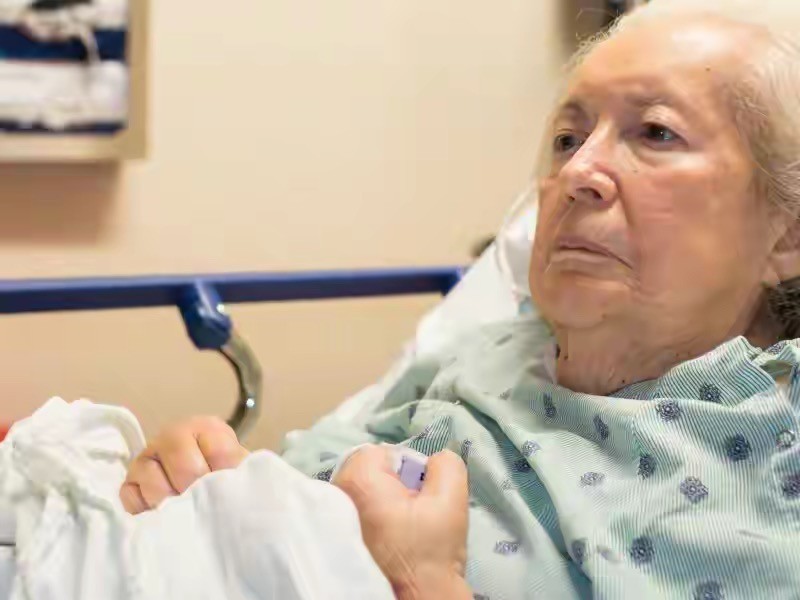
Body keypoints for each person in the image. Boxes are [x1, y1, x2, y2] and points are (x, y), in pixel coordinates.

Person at [122, 0, 800, 597]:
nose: (579, 171)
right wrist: (209, 475)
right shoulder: (489, 354)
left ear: (787, 232)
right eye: (568, 139)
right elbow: (300, 475)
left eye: (655, 133)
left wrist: (424, 581)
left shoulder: (769, 455)